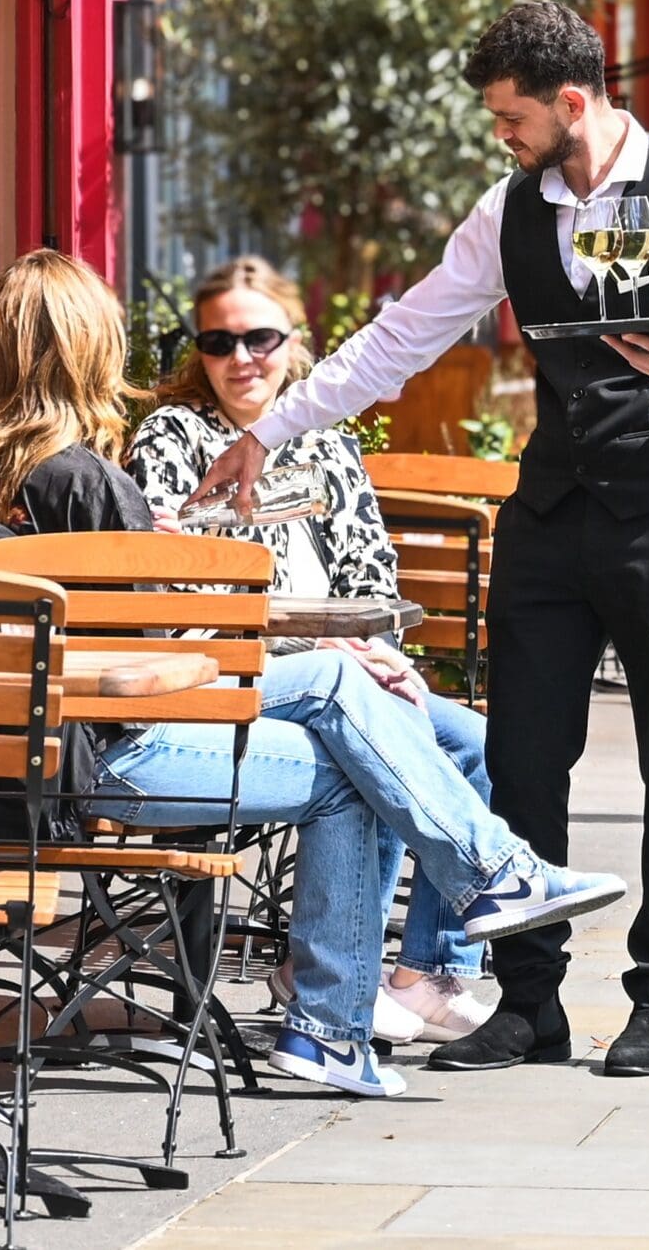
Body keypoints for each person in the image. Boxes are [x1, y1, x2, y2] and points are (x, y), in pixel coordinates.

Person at [191, 1, 649, 1079]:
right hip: (552, 510)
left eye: (511, 116)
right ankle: (530, 1005)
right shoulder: (508, 209)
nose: (500, 136)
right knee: (523, 760)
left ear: (573, 103)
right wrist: (269, 428)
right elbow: (402, 336)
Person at [0, 249, 624, 1101]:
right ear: (86, 352)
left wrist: (153, 554)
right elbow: (168, 662)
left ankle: (434, 933)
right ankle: (385, 975)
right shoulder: (91, 481)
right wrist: (164, 564)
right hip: (106, 760)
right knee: (354, 733)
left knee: (357, 718)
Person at [128, 255, 494, 1049]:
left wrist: (378, 652)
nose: (240, 358)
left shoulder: (327, 443)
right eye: (218, 341)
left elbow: (372, 578)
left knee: (471, 741)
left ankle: (425, 967)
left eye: (259, 336)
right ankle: (325, 972)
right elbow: (176, 596)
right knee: (383, 736)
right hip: (243, 672)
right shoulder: (174, 434)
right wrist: (334, 647)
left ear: (297, 341)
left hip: (341, 660)